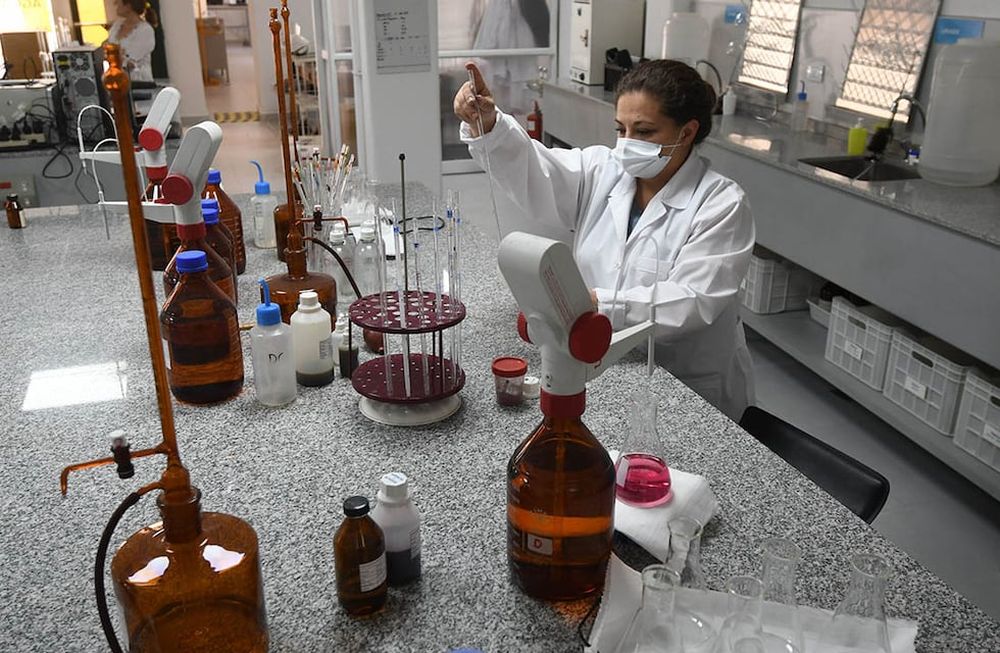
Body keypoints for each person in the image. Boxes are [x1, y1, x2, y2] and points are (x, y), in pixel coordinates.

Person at [453, 59, 756, 421]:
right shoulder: (604, 169)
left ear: (687, 132)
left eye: (644, 131)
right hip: (603, 365)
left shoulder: (721, 204)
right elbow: (537, 172)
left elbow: (692, 302)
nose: (627, 144)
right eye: (621, 128)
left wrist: (595, 303)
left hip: (686, 385)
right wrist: (488, 125)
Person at [106, 0, 158, 83]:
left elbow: (130, 61)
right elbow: (107, 51)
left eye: (118, 2)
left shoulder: (145, 30)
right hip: (117, 82)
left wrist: (116, 55)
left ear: (128, 6)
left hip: (139, 83)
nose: (115, 4)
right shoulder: (116, 26)